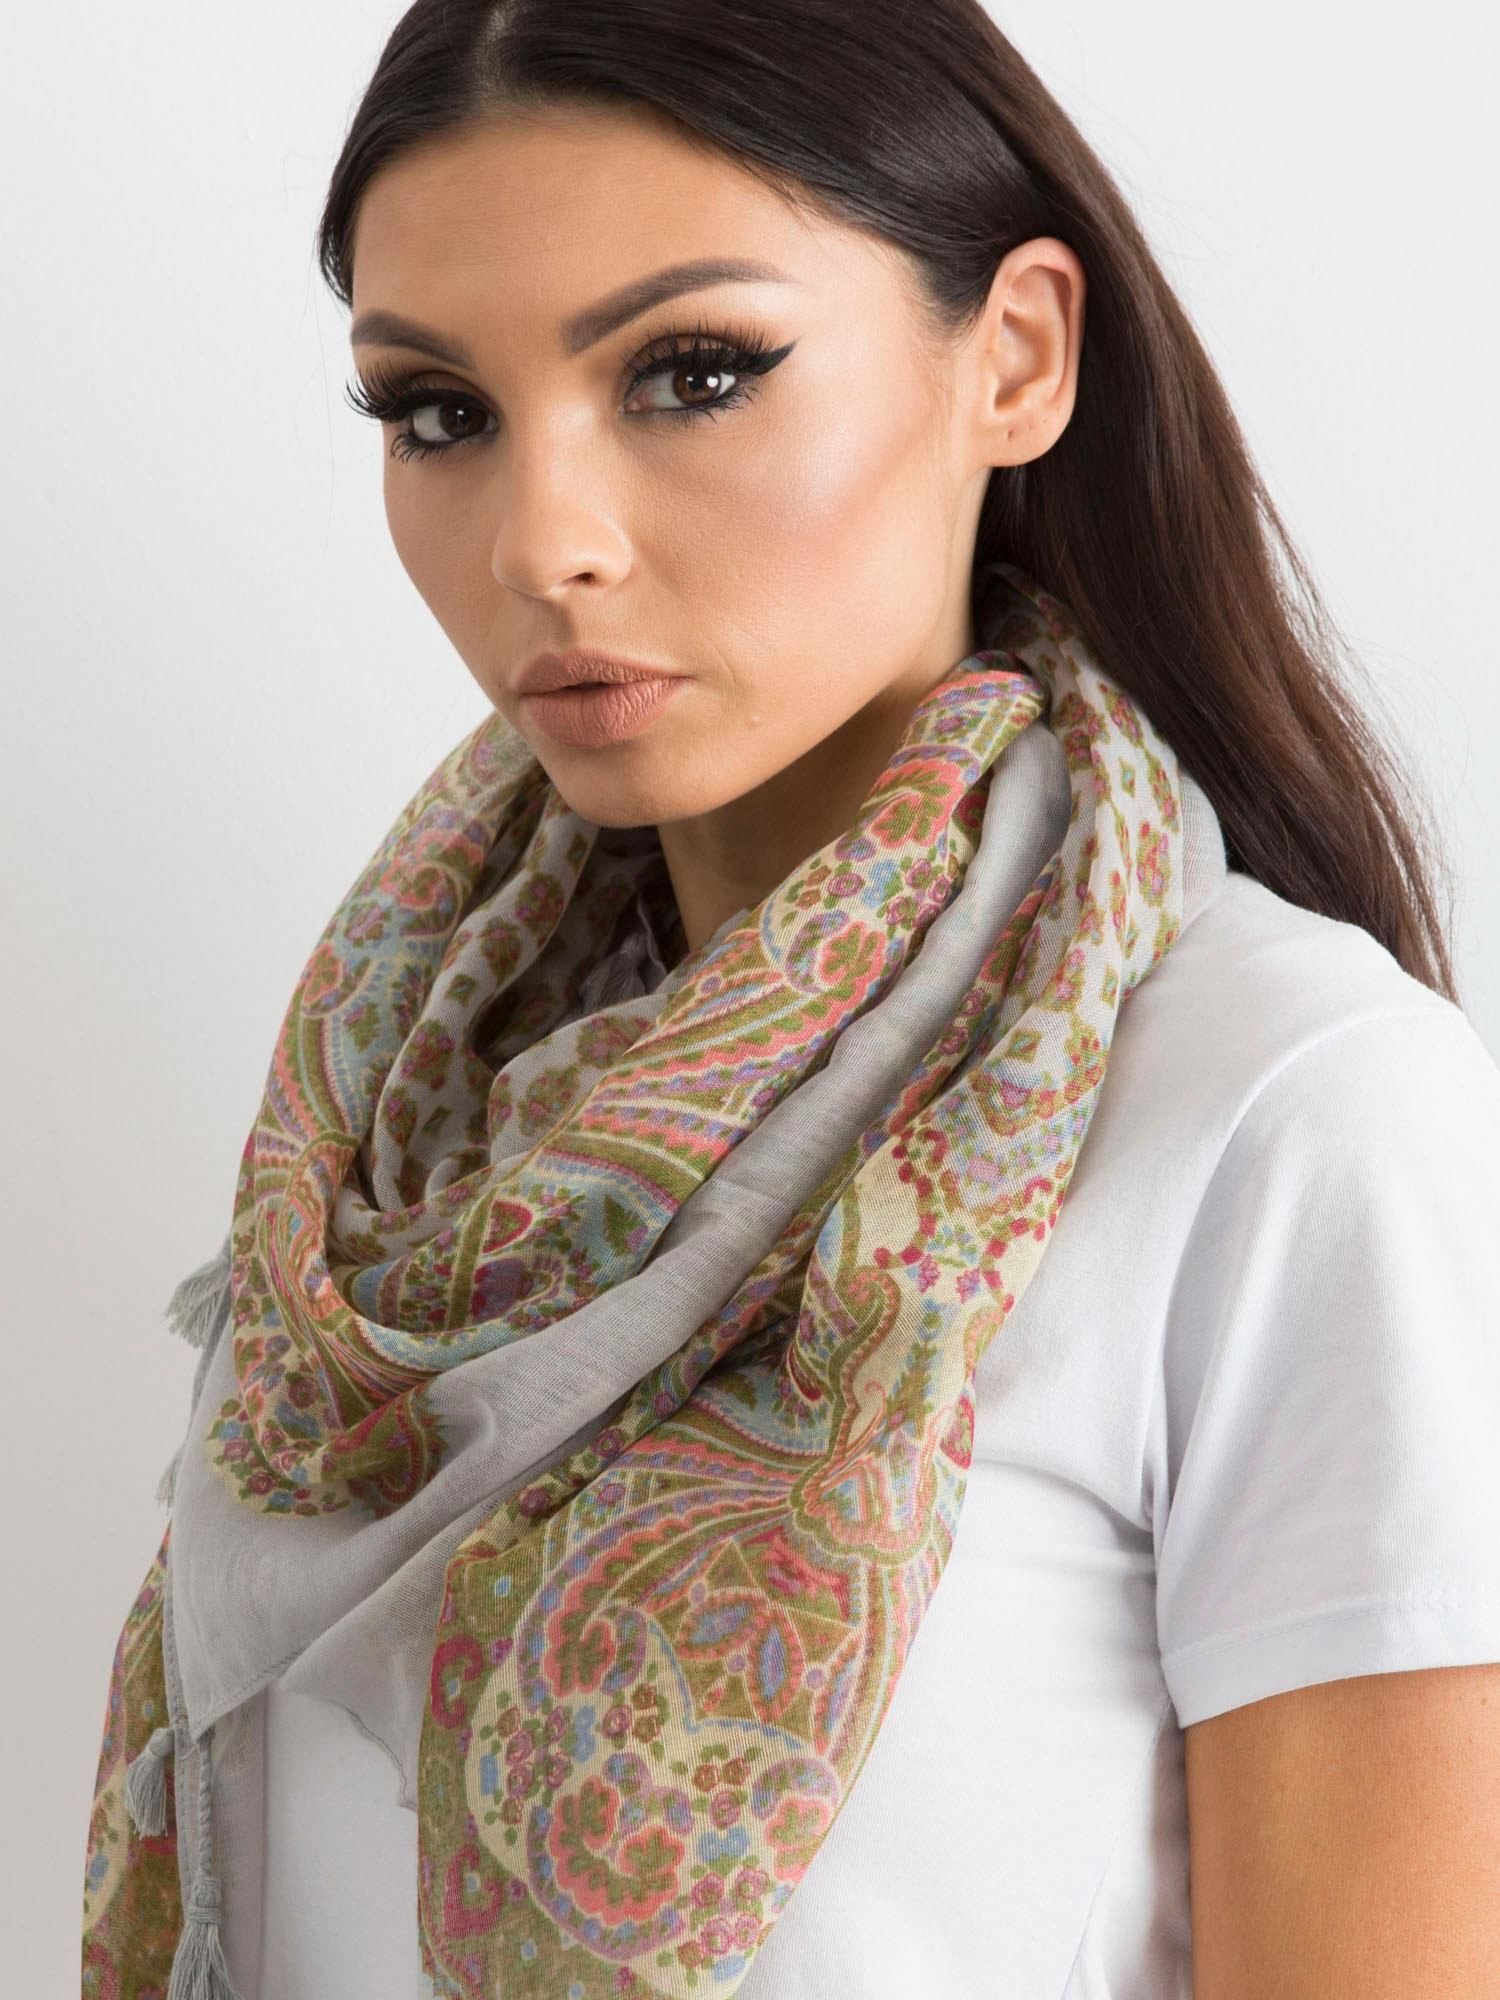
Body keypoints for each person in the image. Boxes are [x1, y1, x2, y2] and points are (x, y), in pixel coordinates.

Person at [82, 3, 1500, 1996]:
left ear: (1017, 356)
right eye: (439, 411)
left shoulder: (1291, 1112)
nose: (544, 542)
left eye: (692, 373)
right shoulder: (398, 1143)